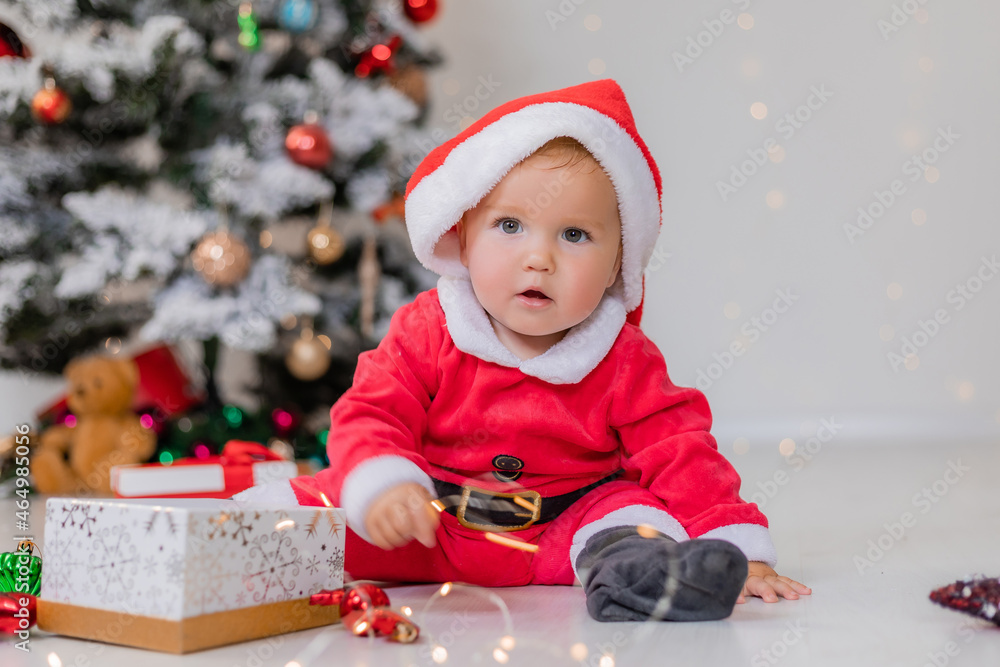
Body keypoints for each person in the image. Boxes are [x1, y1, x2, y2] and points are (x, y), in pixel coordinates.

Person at [236, 79, 810, 622]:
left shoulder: (622, 358)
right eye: (510, 225)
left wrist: (734, 541)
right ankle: (233, 547)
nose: (540, 258)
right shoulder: (431, 329)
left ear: (618, 264)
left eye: (574, 235)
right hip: (424, 522)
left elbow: (678, 449)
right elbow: (374, 408)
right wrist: (386, 483)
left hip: (560, 531)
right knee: (300, 519)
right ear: (463, 237)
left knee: (631, 524)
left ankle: (647, 581)